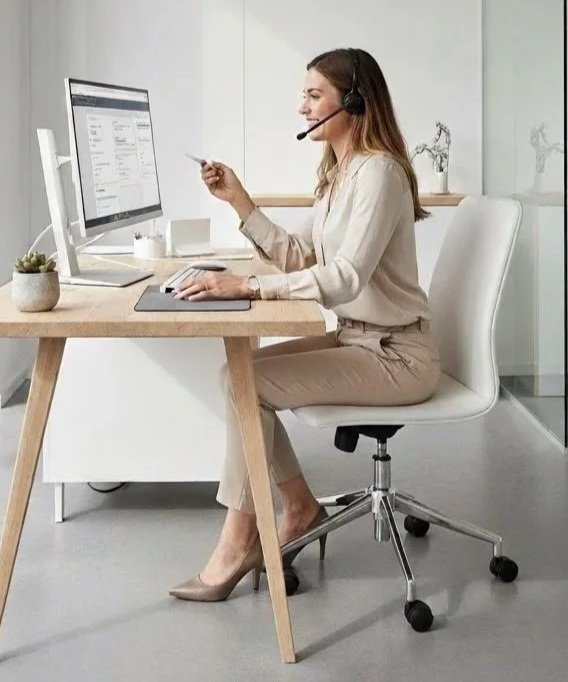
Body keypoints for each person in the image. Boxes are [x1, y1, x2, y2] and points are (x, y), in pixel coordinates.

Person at [169, 47, 441, 601]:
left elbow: (342, 278)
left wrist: (247, 286)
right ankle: (298, 507)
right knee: (236, 374)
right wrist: (239, 202)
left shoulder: (380, 175)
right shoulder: (341, 175)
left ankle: (240, 540)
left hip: (397, 356)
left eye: (314, 95)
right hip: (360, 341)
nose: (303, 107)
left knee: (249, 383)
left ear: (355, 100)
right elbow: (301, 256)